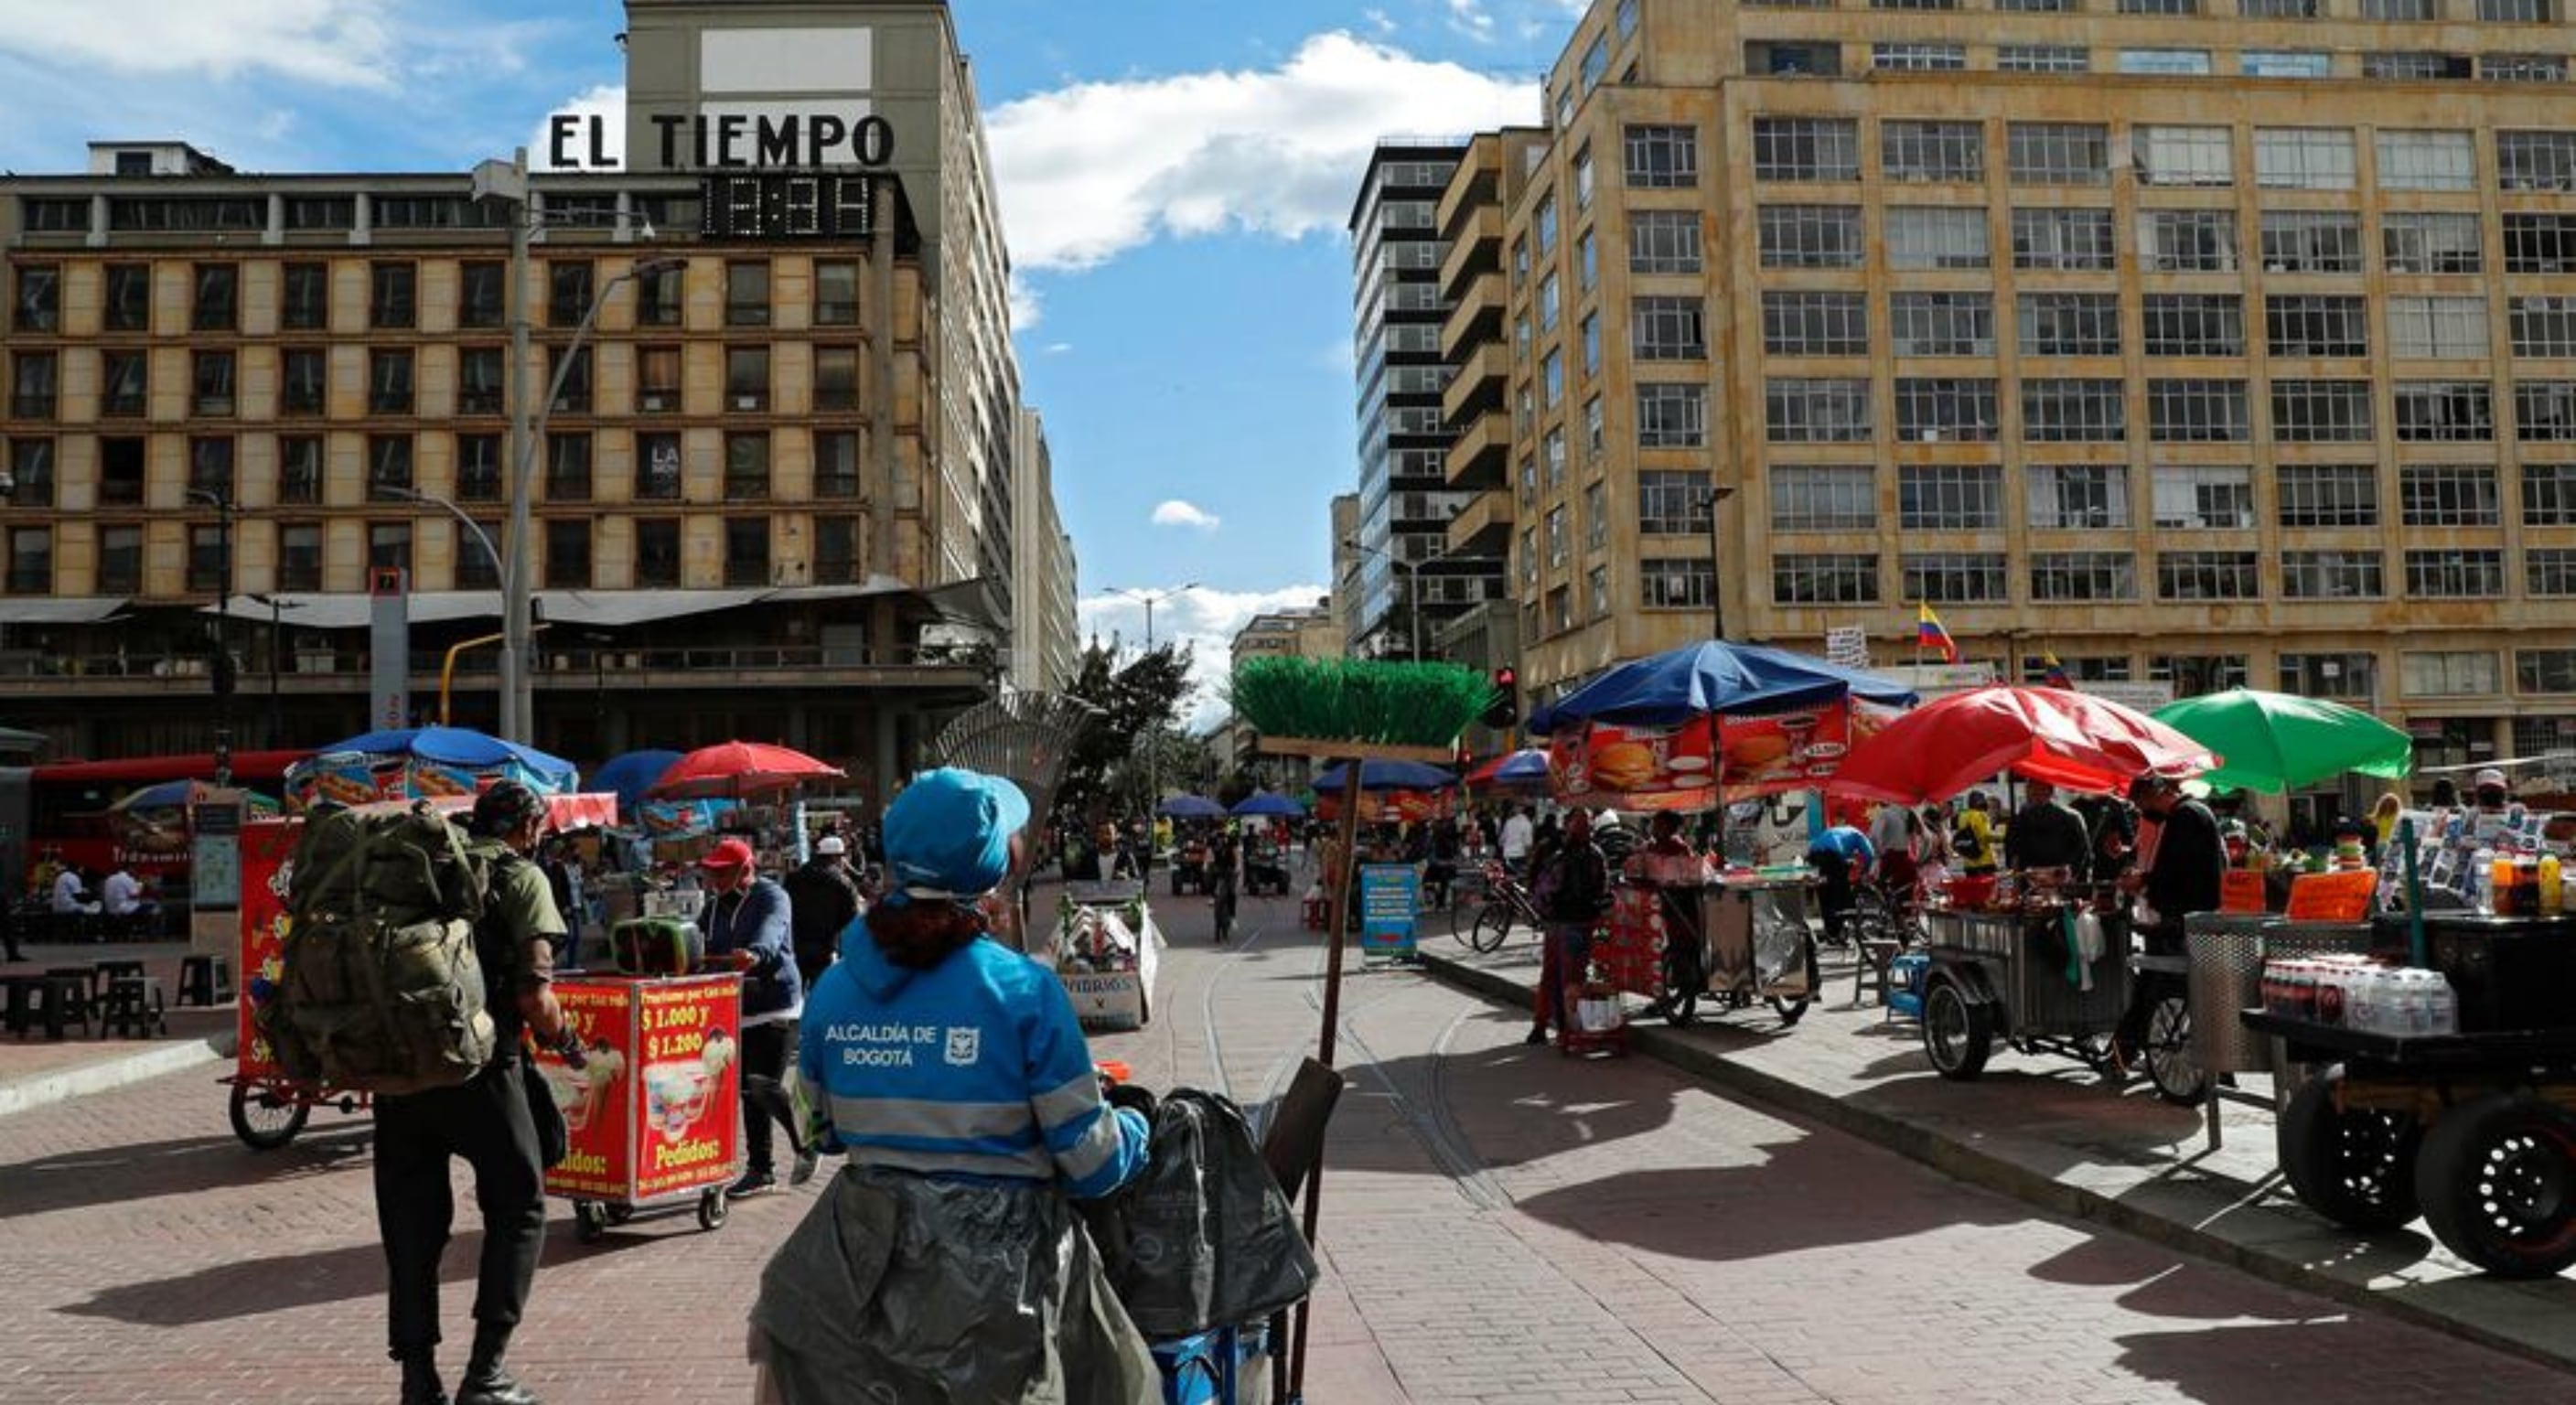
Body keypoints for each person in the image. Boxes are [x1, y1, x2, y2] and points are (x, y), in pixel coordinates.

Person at [753, 767, 1156, 1403]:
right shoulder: (1025, 990)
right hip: (1002, 1292)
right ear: (992, 872)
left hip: (859, 1277)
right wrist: (1134, 1126)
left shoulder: (833, 987)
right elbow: (1092, 1164)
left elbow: (818, 1133)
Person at [378, 780, 570, 1405]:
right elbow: (534, 997)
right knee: (520, 1207)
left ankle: (418, 1379)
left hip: (401, 1071)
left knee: (411, 1229)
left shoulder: (421, 869)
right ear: (530, 826)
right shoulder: (520, 877)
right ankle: (486, 1372)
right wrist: (569, 1040)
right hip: (482, 1070)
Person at [694, 837, 811, 1197]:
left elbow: (771, 933)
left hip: (776, 1004)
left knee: (760, 1085)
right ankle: (762, 1169)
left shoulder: (772, 896)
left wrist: (755, 953)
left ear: (745, 869)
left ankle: (803, 1141)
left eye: (723, 872)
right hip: (735, 1006)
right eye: (712, 872)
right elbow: (696, 942)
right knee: (746, 1088)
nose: (715, 880)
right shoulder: (713, 907)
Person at [2115, 773, 2224, 1072]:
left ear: (2155, 794)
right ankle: (2125, 1053)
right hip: (2195, 915)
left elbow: (2176, 871)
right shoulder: (2194, 813)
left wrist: (2143, 881)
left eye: (2140, 803)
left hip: (2182, 918)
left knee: (2159, 986)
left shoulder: (2185, 817)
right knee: (2171, 987)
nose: (2141, 811)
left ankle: (2123, 1053)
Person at [1528, 808, 1612, 1046]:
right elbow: (1602, 888)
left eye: (1587, 824)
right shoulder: (1576, 853)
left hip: (1568, 923)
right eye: (1582, 823)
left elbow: (1540, 887)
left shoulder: (1573, 853)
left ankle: (1548, 1025)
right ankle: (1562, 1027)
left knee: (1559, 975)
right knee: (1570, 976)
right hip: (1572, 922)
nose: (1586, 828)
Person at [782, 835, 864, 989]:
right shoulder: (842, 882)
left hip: (795, 945)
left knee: (795, 992)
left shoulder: (793, 877)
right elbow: (851, 916)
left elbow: (784, 908)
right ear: (835, 857)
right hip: (825, 946)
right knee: (821, 991)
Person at [1805, 823, 1876, 947]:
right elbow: (1869, 854)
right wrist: (1864, 872)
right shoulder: (1858, 835)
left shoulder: (1841, 831)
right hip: (1832, 855)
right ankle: (1840, 931)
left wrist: (1846, 863)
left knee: (1825, 894)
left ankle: (1831, 932)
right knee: (1840, 894)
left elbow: (1840, 856)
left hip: (1814, 854)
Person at [2002, 780, 2091, 877]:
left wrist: (2072, 874)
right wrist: (2017, 878)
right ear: (2027, 791)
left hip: (2060, 875)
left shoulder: (2070, 817)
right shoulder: (2019, 820)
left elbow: (2082, 851)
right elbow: (2013, 853)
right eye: (2033, 789)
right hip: (2030, 876)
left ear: (2050, 791)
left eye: (2041, 789)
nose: (2037, 793)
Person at [1207, 822, 1241, 943]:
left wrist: (1237, 866)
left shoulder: (1231, 839)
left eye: (1222, 829)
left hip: (1230, 868)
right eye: (1218, 829)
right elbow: (1209, 853)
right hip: (1217, 867)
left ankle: (1232, 917)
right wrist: (1207, 864)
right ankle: (1212, 896)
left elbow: (1236, 853)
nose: (1221, 831)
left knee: (1231, 892)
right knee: (1208, 877)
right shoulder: (1212, 839)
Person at [1953, 793, 1999, 876]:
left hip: (1969, 863)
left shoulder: (1962, 816)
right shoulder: (1981, 815)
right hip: (1984, 861)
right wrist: (2003, 838)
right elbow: (1986, 837)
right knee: (1988, 884)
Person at [1499, 804, 1535, 875]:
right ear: (1532, 815)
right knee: (1518, 877)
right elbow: (1528, 844)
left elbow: (1502, 840)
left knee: (1508, 877)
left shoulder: (1509, 821)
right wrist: (1529, 859)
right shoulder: (1527, 824)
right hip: (1519, 855)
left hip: (1507, 855)